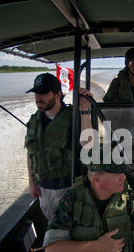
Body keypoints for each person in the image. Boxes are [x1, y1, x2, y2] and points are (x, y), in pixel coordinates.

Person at [25, 73, 93, 222]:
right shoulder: (34, 121)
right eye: (36, 93)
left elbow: (88, 144)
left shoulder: (74, 116)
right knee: (54, 229)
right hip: (44, 190)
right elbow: (31, 153)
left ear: (57, 95)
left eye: (43, 93)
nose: (38, 97)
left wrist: (84, 109)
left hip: (70, 188)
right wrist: (31, 182)